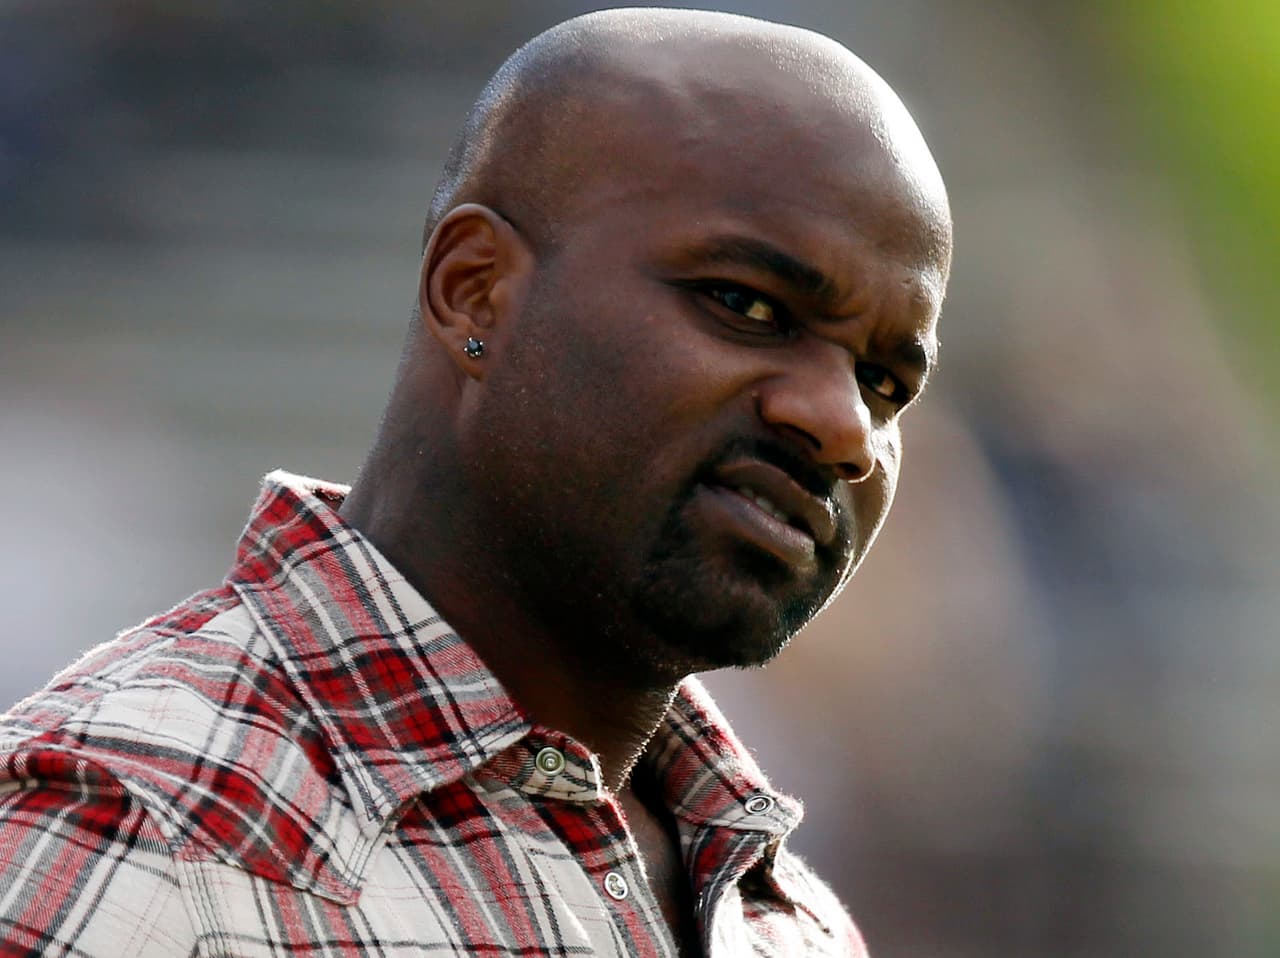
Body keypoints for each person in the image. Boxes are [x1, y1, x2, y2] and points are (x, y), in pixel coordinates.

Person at [0, 7, 950, 956]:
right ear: (475, 289)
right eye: (747, 305)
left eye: (885, 381)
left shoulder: (787, 926)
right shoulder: (132, 841)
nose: (844, 428)